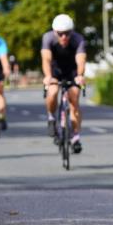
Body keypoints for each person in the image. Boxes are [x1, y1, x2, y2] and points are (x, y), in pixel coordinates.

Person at [41, 14, 86, 154]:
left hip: (72, 71)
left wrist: (79, 76)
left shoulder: (78, 40)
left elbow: (81, 60)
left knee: (74, 98)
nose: (64, 37)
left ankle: (76, 136)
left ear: (71, 32)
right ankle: (51, 117)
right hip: (55, 71)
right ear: (55, 32)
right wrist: (48, 76)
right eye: (60, 34)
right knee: (53, 92)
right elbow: (46, 59)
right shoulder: (48, 38)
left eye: (67, 33)